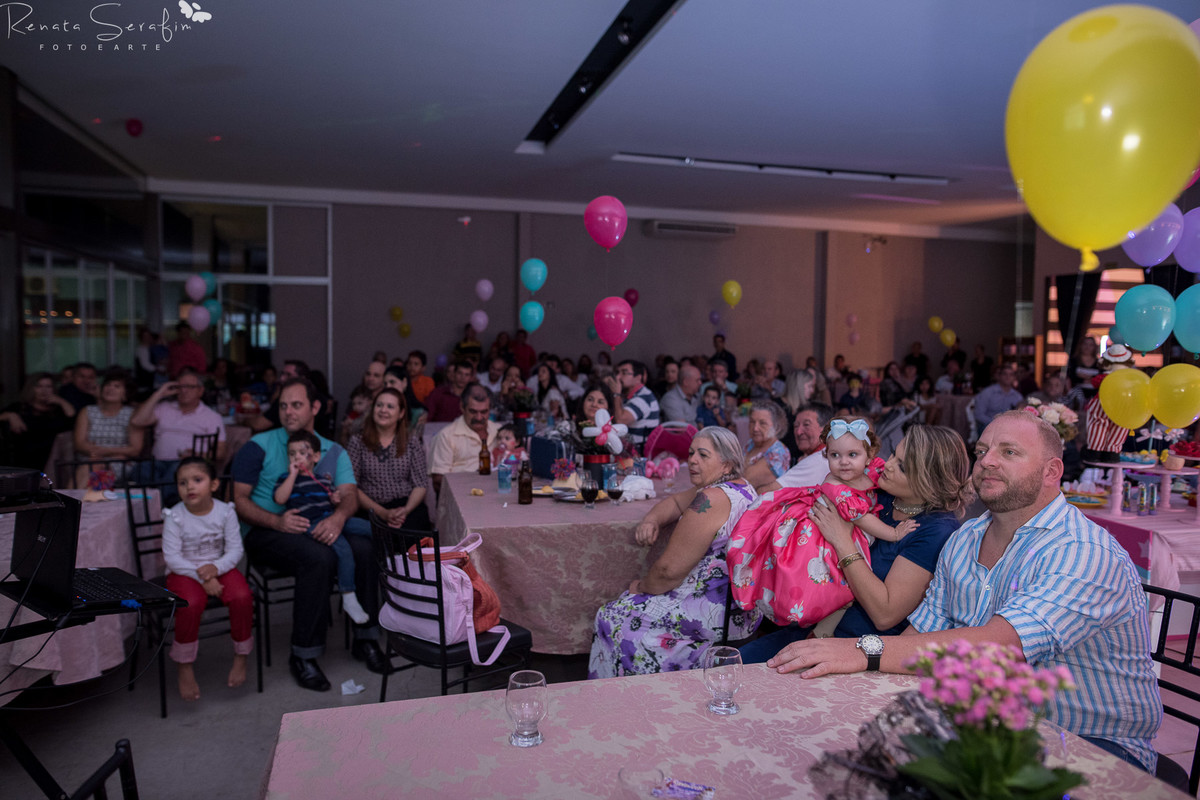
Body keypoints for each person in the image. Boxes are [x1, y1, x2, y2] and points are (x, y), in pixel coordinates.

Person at [766, 410, 1162, 774]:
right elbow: (918, 638)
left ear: (1051, 471)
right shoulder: (965, 539)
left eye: (1009, 452)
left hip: (1094, 746)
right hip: (988, 727)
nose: (987, 461)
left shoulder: (1082, 551)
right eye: (983, 450)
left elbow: (1002, 646)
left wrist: (860, 650)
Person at [738, 425, 969, 663]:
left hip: (858, 648)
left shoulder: (935, 530)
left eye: (902, 466)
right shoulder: (882, 494)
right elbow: (833, 486)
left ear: (928, 481)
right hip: (813, 620)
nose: (887, 464)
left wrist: (841, 540)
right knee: (734, 663)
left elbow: (885, 614)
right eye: (893, 454)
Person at [232, 377, 387, 691]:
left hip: (318, 522)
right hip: (266, 531)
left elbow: (349, 495)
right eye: (284, 406)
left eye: (297, 405)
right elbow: (239, 501)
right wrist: (276, 523)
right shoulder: (258, 445)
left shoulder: (332, 451)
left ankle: (366, 639)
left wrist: (339, 519)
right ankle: (303, 654)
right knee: (318, 558)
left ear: (315, 408)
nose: (288, 412)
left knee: (365, 548)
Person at [588, 427, 760, 678]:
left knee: (611, 615)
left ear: (727, 464)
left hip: (715, 615)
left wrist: (641, 585)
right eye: (691, 453)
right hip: (738, 608)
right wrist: (652, 519)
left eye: (703, 455)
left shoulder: (711, 499)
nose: (692, 460)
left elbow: (667, 572)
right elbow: (676, 502)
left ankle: (614, 697)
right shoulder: (739, 486)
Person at [728, 417, 917, 631]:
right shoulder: (836, 486)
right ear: (826, 456)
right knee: (828, 578)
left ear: (869, 456)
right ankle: (811, 616)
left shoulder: (871, 470)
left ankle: (826, 624)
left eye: (852, 455)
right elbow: (863, 519)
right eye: (835, 455)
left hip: (842, 527)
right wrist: (893, 533)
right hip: (819, 536)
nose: (843, 461)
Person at [162, 457, 254, 701]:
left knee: (242, 596)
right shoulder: (175, 516)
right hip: (184, 570)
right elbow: (171, 557)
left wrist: (215, 567)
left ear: (214, 485)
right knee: (190, 604)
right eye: (182, 483)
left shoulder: (225, 512)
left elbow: (235, 550)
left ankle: (241, 655)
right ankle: (184, 665)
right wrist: (202, 576)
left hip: (218, 567)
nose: (189, 487)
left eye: (197, 480)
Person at [273, 430, 370, 625]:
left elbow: (332, 500)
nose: (297, 457)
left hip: (330, 517)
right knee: (344, 550)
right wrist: (292, 475)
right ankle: (348, 595)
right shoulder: (286, 479)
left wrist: (335, 500)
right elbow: (280, 498)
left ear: (316, 456)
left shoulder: (322, 479)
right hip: (311, 523)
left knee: (367, 527)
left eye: (302, 453)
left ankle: (395, 556)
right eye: (292, 454)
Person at [348, 387, 432, 532]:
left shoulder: (411, 442)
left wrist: (405, 510)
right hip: (370, 508)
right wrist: (383, 513)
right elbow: (351, 486)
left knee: (414, 531)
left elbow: (420, 484)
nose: (383, 410)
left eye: (390, 406)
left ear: (401, 413)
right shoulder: (357, 442)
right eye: (379, 405)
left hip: (405, 507)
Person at [131, 368, 227, 492]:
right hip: (158, 462)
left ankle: (154, 506)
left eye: (189, 387)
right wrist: (159, 393)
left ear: (200, 391)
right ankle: (152, 505)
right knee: (140, 470)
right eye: (180, 387)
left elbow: (220, 453)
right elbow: (137, 421)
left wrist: (197, 455)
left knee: (177, 474)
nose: (184, 391)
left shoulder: (212, 417)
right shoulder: (164, 408)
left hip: (188, 464)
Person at [73, 373, 144, 487]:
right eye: (108, 385)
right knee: (93, 466)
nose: (111, 388)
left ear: (125, 394)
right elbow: (79, 444)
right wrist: (99, 454)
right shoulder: (87, 411)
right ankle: (80, 501)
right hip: (90, 458)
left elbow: (135, 449)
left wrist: (104, 452)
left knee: (95, 468)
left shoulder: (132, 414)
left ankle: (71, 502)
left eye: (117, 386)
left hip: (120, 462)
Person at [428, 383, 499, 495]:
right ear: (462, 407)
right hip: (463, 497)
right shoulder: (446, 436)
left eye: (484, 412)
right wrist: (469, 488)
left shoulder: (498, 431)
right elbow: (438, 481)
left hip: (496, 494)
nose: (479, 418)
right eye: (473, 412)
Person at [0, 372, 77, 470]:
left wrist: (61, 401)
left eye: (48, 387)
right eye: (39, 386)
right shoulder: (19, 408)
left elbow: (73, 422)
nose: (44, 391)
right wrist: (10, 415)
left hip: (54, 460)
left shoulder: (58, 410)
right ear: (31, 388)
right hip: (25, 459)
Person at [764, 403, 836, 493]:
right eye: (796, 426)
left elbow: (766, 493)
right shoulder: (830, 453)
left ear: (826, 429)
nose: (798, 432)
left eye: (806, 425)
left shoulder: (817, 460)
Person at [608, 359, 660, 450]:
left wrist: (616, 394)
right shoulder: (628, 395)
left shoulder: (644, 397)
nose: (618, 377)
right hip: (627, 449)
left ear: (638, 378)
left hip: (639, 453)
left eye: (624, 373)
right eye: (617, 373)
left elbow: (621, 420)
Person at [741, 400, 790, 488]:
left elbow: (745, 481)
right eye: (752, 422)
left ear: (777, 426)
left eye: (762, 423)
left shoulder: (778, 453)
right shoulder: (750, 444)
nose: (755, 428)